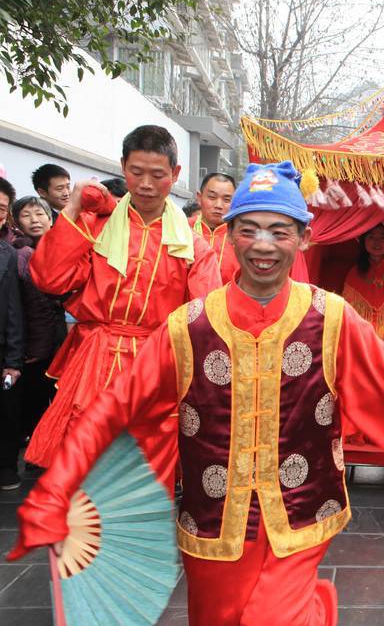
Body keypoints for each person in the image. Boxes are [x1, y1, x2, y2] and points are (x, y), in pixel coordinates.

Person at [7, 160, 384, 626]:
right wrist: (54, 493)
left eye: (279, 230)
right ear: (228, 236)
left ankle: (313, 615)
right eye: (249, 229)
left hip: (302, 515)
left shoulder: (330, 318)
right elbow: (113, 410)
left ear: (303, 240)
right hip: (214, 526)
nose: (263, 245)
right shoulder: (187, 325)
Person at [23, 125, 221, 469]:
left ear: (174, 174)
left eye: (157, 174)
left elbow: (206, 318)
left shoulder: (192, 244)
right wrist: (71, 207)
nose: (145, 184)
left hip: (155, 365)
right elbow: (49, 278)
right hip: (94, 359)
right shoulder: (94, 224)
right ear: (122, 167)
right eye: (136, 172)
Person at [4, 198, 67, 486]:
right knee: (36, 402)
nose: (35, 219)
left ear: (50, 218)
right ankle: (37, 455)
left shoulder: (65, 247)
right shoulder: (19, 254)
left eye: (40, 213)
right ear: (16, 221)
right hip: (34, 344)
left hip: (64, 340)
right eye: (26, 215)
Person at [0, 236, 23, 490]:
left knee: (6, 410)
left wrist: (13, 360)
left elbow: (14, 310)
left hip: (3, 346)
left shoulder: (8, 253)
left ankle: (5, 465)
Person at [191, 173, 238, 282]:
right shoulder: (182, 228)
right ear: (199, 197)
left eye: (226, 200)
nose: (218, 205)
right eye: (212, 197)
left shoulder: (240, 235)